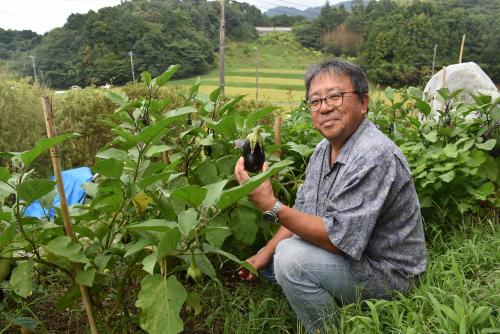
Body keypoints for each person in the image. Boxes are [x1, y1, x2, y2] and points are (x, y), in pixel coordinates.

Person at [233, 59, 427, 333]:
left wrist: (270, 205)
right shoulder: (323, 149)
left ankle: (330, 328)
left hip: (389, 274)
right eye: (315, 101)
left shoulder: (374, 154)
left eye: (335, 96)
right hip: (355, 258)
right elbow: (304, 213)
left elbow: (338, 242)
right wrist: (262, 254)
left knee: (290, 259)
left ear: (363, 102)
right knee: (271, 261)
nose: (324, 107)